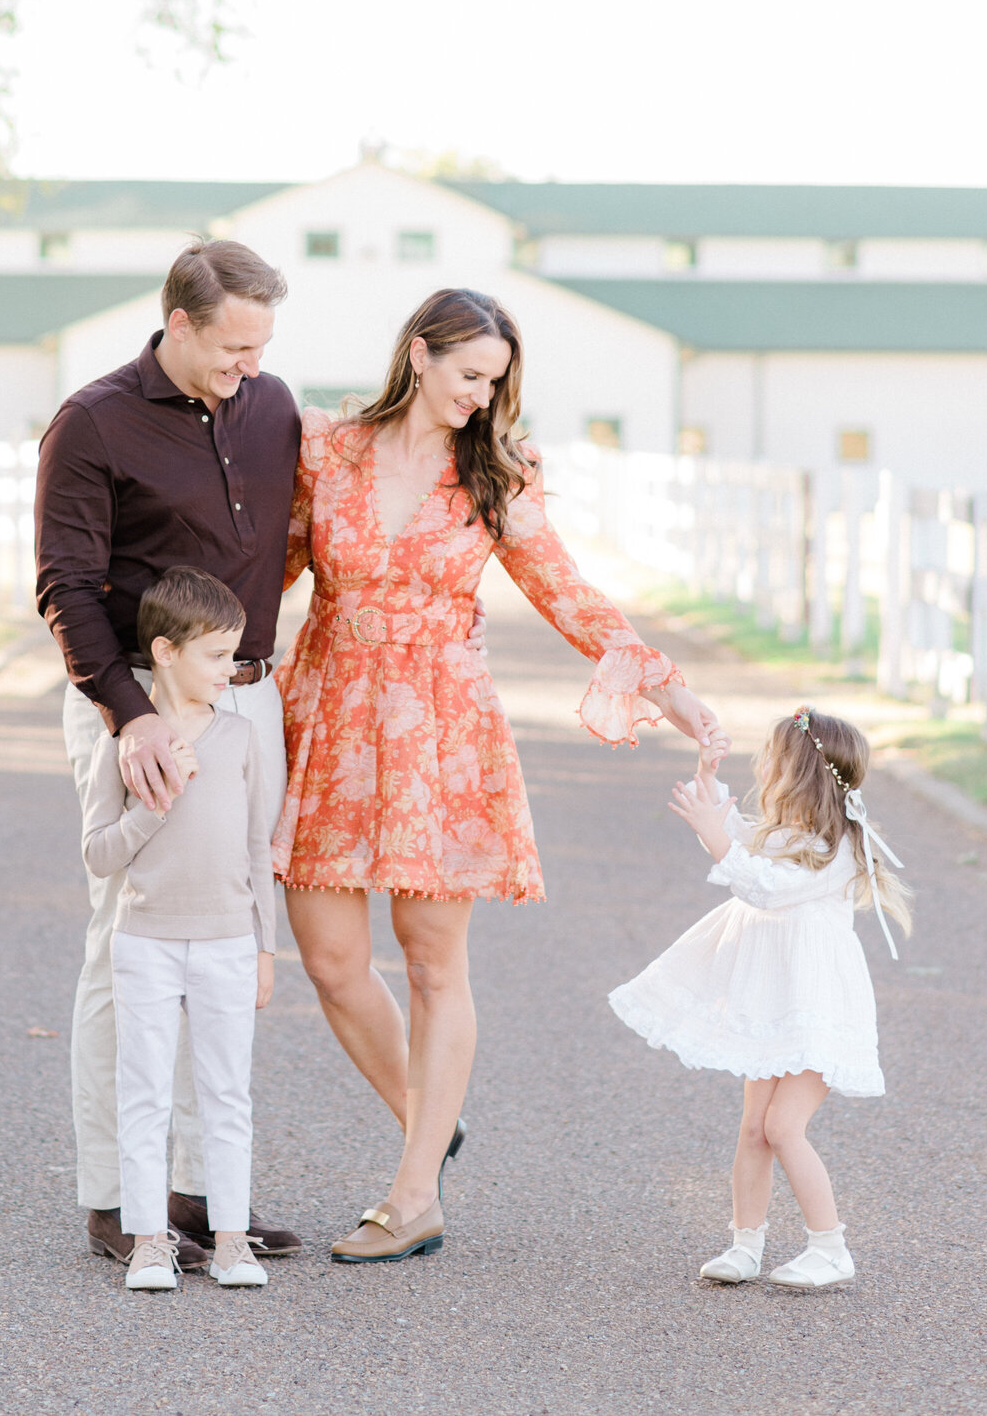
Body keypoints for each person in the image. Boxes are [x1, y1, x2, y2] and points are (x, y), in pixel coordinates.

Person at [273, 286, 729, 1263]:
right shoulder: (326, 451)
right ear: (418, 355)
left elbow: (568, 591)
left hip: (441, 728)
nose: (482, 397)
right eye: (470, 375)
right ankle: (427, 1120)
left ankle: (411, 1196)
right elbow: (261, 569)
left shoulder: (494, 473)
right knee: (330, 961)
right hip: (329, 719)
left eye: (496, 382)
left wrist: (670, 693)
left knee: (433, 963)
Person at [35, 237, 303, 1268]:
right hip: (137, 703)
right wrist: (128, 714)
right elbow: (64, 581)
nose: (249, 365)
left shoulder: (273, 405)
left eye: (262, 346)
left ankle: (195, 1194)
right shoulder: (93, 421)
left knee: (228, 925)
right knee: (128, 935)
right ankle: (115, 1198)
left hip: (247, 699)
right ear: (178, 322)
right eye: (233, 345)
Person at [609, 705, 912, 1291]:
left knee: (783, 1127)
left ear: (796, 770)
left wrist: (715, 833)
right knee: (754, 1127)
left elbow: (763, 885)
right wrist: (707, 769)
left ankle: (831, 1248)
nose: (762, 767)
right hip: (774, 1004)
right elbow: (735, 838)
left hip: (816, 1007)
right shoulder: (782, 833)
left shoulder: (835, 846)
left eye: (771, 758)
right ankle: (745, 1244)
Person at [82, 567, 278, 1292]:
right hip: (147, 941)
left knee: (228, 1091)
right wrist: (156, 804)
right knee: (145, 1092)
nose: (231, 670)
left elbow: (258, 847)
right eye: (217, 655)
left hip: (228, 938)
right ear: (165, 651)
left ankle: (230, 1240)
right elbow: (99, 853)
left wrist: (265, 945)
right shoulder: (128, 745)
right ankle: (148, 1244)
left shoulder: (241, 736)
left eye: (234, 655)